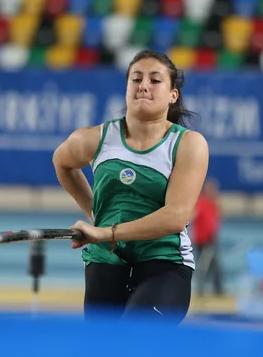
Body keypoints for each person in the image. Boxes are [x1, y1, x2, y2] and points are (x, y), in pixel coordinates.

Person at [52, 49, 209, 325]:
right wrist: (94, 214)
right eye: (136, 79)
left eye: (155, 80)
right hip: (106, 261)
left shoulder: (188, 144)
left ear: (173, 95)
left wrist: (105, 232)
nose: (143, 86)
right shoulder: (95, 138)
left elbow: (175, 217)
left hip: (164, 262)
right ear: (126, 89)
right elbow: (61, 161)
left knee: (136, 338)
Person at [192, 177, 224, 297]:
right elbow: (193, 216)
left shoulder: (214, 203)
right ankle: (200, 290)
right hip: (202, 241)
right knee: (202, 267)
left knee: (215, 267)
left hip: (212, 239)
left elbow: (218, 218)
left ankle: (218, 290)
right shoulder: (200, 202)